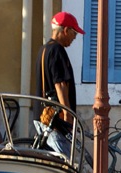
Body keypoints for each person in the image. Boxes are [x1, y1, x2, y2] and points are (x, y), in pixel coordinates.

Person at [36, 11, 83, 159]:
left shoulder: (43, 49)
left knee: (48, 160)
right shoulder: (57, 50)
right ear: (65, 30)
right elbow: (60, 84)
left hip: (42, 115)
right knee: (64, 162)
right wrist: (68, 115)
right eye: (74, 33)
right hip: (55, 119)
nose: (74, 38)